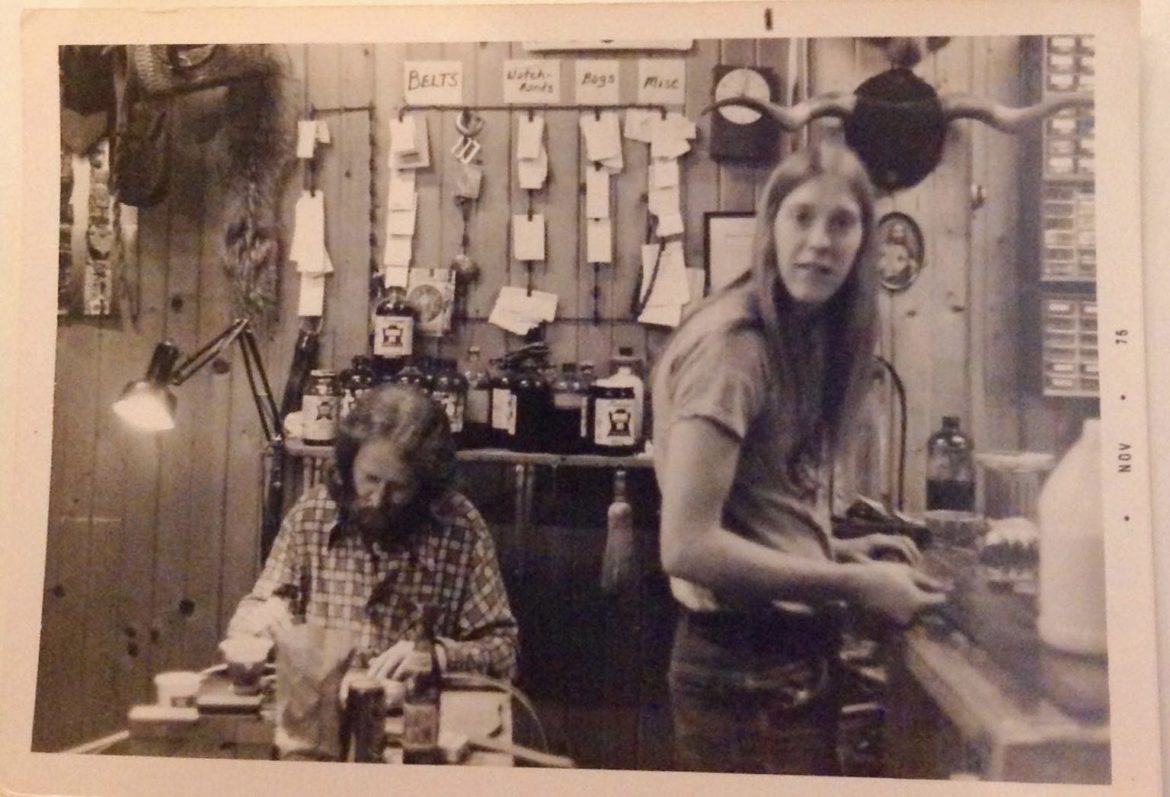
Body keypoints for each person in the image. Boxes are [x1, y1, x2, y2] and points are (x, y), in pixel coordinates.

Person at [651, 140, 946, 775]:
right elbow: (687, 545)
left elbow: (750, 509)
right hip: (741, 674)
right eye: (802, 216)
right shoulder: (734, 349)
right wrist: (855, 584)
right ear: (770, 229)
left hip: (784, 664)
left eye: (842, 222)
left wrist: (831, 548)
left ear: (864, 241)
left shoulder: (801, 334)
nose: (820, 241)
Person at [227, 382, 518, 683]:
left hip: (419, 716)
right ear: (348, 465)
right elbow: (250, 617)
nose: (378, 499)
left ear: (425, 485)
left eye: (398, 488)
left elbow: (504, 652)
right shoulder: (312, 514)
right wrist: (261, 621)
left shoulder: (460, 526)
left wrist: (437, 656)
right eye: (370, 479)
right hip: (322, 713)